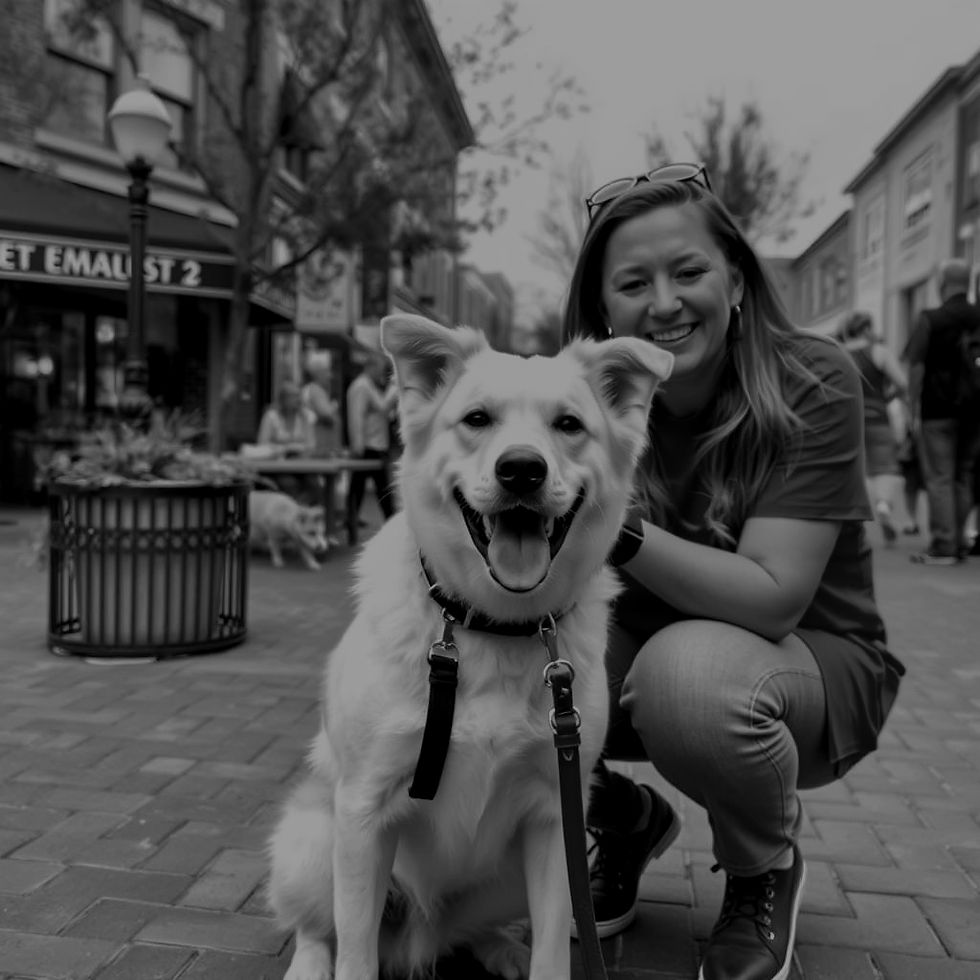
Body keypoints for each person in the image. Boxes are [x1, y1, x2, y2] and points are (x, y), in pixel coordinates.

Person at [562, 164, 905, 980]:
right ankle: (624, 818)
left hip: (807, 661)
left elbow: (773, 598)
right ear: (602, 308)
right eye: (633, 283)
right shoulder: (580, 399)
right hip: (643, 647)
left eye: (689, 272)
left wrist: (615, 525)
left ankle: (762, 869)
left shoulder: (812, 379)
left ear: (738, 280)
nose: (665, 303)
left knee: (688, 678)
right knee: (517, 669)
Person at [905, 259, 980, 564]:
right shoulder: (978, 316)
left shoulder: (931, 319)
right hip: (974, 410)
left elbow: (916, 364)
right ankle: (960, 541)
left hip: (938, 409)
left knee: (940, 478)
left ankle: (943, 545)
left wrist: (912, 406)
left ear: (942, 283)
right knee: (963, 475)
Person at [838, 310, 908, 546]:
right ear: (867, 328)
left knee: (852, 469)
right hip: (877, 416)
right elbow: (902, 383)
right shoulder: (879, 351)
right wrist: (888, 398)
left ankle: (851, 521)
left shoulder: (840, 352)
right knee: (884, 466)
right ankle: (884, 505)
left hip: (848, 419)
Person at [345, 351, 398, 524]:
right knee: (380, 487)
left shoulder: (368, 385)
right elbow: (357, 416)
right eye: (381, 369)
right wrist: (358, 444)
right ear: (371, 367)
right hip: (369, 445)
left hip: (373, 443)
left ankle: (352, 519)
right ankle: (390, 520)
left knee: (359, 486)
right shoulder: (362, 386)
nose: (382, 374)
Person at [256, 380, 316, 501]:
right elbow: (261, 445)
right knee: (289, 484)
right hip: (276, 467)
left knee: (314, 485)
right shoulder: (271, 417)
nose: (298, 400)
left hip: (301, 466)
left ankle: (307, 511)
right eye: (294, 396)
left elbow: (311, 445)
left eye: (299, 395)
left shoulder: (305, 417)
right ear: (283, 399)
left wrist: (299, 449)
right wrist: (284, 448)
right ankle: (294, 510)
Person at [301, 363, 341, 457]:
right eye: (326, 372)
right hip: (319, 444)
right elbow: (326, 414)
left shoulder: (310, 388)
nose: (330, 376)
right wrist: (334, 406)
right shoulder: (316, 390)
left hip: (316, 443)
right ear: (318, 375)